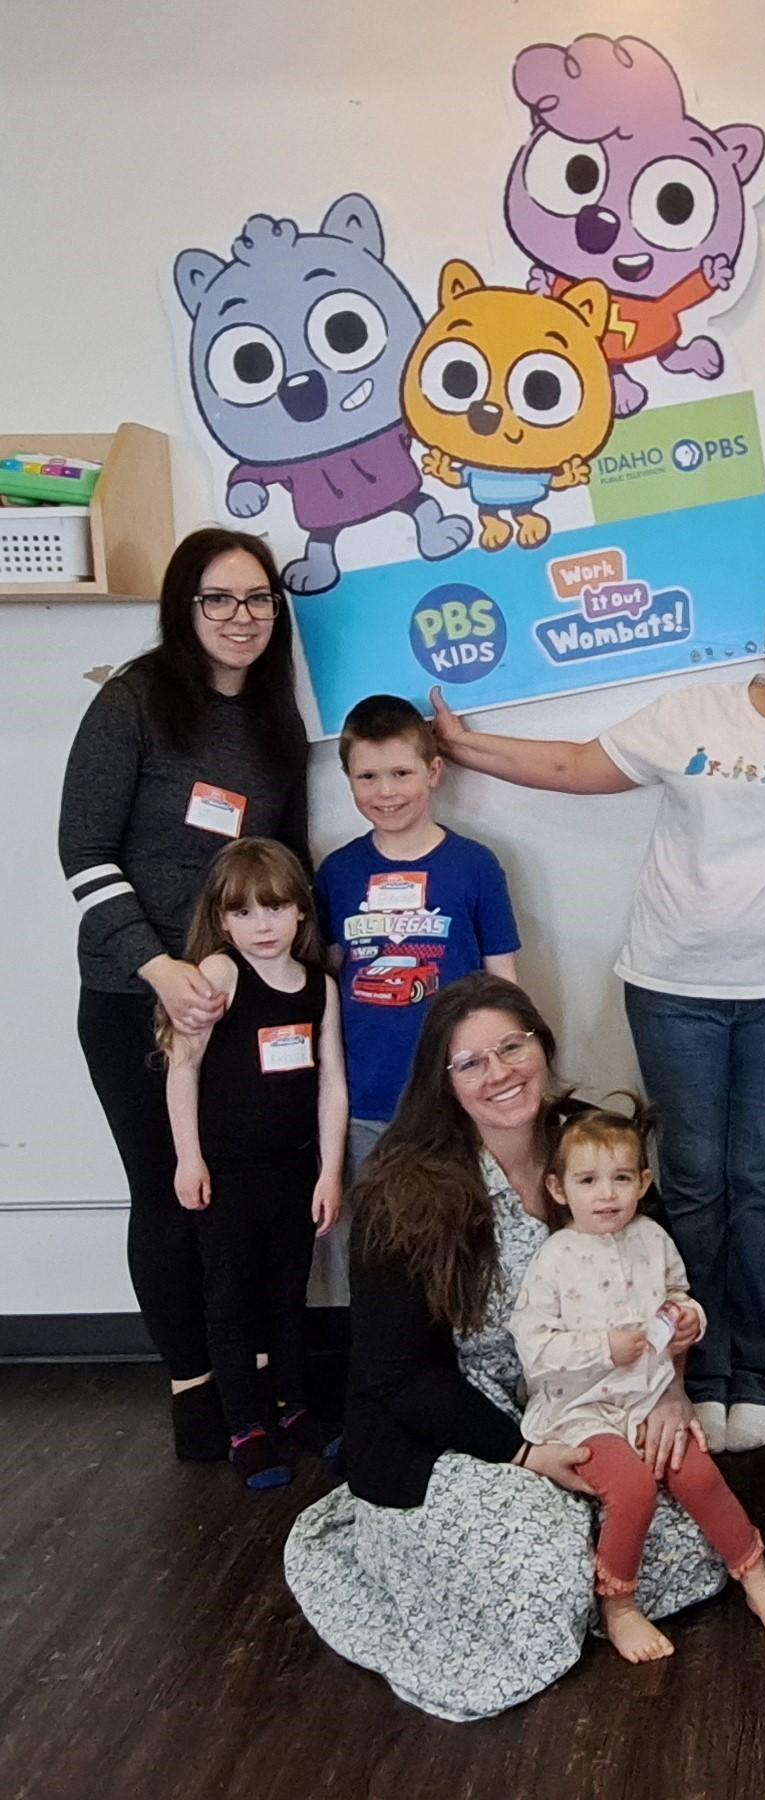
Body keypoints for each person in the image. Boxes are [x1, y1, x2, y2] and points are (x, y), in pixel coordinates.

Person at [432, 522, 765, 1454]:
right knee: (689, 1183)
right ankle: (686, 1369)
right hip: (673, 985)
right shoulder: (693, 718)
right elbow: (576, 768)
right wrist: (468, 749)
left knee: (759, 1184)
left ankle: (752, 1373)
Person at [284, 975, 725, 1722]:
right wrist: (524, 1455)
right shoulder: (405, 1188)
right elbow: (395, 1376)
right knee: (543, 1572)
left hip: (583, 1403)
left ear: (540, 1047)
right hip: (452, 1429)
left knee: (691, 1548)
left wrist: (672, 1391)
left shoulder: (591, 1144)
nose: (500, 1074)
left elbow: (657, 1285)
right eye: (471, 1063)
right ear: (444, 1082)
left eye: (512, 1047)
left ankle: (581, 1578)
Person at [58, 527, 310, 1461]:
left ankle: (253, 1379)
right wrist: (158, 967)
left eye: (257, 601)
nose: (241, 618)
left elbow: (285, 869)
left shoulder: (275, 723)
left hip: (237, 1006)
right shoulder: (131, 703)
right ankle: (193, 1385)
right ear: (184, 607)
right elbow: (82, 853)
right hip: (134, 998)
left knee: (241, 1191)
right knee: (170, 1193)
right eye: (219, 600)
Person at [512, 1098, 765, 1663]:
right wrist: (603, 1347)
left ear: (643, 1182)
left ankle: (757, 1579)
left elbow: (675, 1298)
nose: (607, 1194)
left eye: (621, 1178)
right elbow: (533, 1348)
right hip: (581, 1413)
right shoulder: (555, 1258)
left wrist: (691, 1318)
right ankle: (617, 1604)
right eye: (589, 1181)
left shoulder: (653, 1239)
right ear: (558, 1188)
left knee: (701, 1476)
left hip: (647, 1399)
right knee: (634, 1489)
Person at [162, 839, 346, 1488]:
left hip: (293, 1172)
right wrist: (189, 1159)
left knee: (288, 1296)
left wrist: (329, 1171)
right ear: (222, 920)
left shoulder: (319, 987)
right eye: (243, 914)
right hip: (228, 1176)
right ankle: (246, 1425)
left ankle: (293, 1407)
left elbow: (332, 1086)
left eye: (274, 910)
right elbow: (182, 1068)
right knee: (232, 1302)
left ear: (300, 912)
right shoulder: (221, 974)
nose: (261, 927)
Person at [315, 692, 520, 1176]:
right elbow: (324, 983)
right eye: (367, 777)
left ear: (433, 771)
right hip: (365, 1102)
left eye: (401, 773)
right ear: (348, 781)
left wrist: (507, 1075)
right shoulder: (337, 872)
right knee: (371, 1241)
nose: (386, 791)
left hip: (458, 1100)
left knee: (459, 1237)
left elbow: (505, 984)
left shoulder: (476, 865)